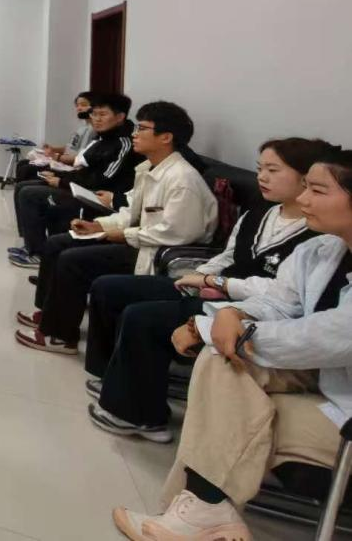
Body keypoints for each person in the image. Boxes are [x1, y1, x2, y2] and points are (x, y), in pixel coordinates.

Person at [111, 150, 352, 541]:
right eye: (306, 187)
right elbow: (280, 302)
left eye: (318, 190)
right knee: (221, 361)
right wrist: (232, 314)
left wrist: (209, 327)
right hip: (325, 376)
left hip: (342, 399)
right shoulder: (321, 249)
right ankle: (204, 510)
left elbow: (328, 336)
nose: (304, 198)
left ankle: (199, 510)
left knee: (226, 384)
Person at [87, 138, 331, 443]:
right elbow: (228, 256)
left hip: (243, 305)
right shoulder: (259, 213)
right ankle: (112, 377)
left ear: (304, 177)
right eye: (260, 169)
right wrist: (199, 276)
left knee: (142, 317)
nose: (262, 177)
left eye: (273, 170)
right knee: (110, 288)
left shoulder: (317, 234)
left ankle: (141, 417)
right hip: (213, 287)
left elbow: (284, 294)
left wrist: (218, 284)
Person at [15, 101, 217, 355]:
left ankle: (59, 335)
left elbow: (175, 233)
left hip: (156, 253)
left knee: (73, 260)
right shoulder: (150, 168)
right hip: (141, 241)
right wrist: (98, 225)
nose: (135, 134)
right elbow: (130, 211)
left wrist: (119, 235)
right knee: (59, 242)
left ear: (166, 137)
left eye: (142, 128)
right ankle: (49, 315)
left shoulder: (182, 179)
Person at [9, 92, 141, 268]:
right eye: (94, 114)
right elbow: (85, 169)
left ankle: (38, 254)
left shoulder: (123, 143)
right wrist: (62, 177)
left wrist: (62, 181)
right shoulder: (102, 137)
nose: (96, 119)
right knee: (26, 185)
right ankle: (32, 245)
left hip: (100, 197)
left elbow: (102, 180)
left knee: (31, 193)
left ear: (120, 117)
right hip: (85, 187)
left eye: (103, 114)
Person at [15, 92, 96, 183]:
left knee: (26, 169)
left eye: (83, 105)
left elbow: (80, 157)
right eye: (77, 105)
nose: (79, 108)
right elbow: (71, 148)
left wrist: (57, 157)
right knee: (22, 163)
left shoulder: (92, 130)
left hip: (71, 167)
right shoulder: (83, 128)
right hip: (63, 161)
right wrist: (53, 149)